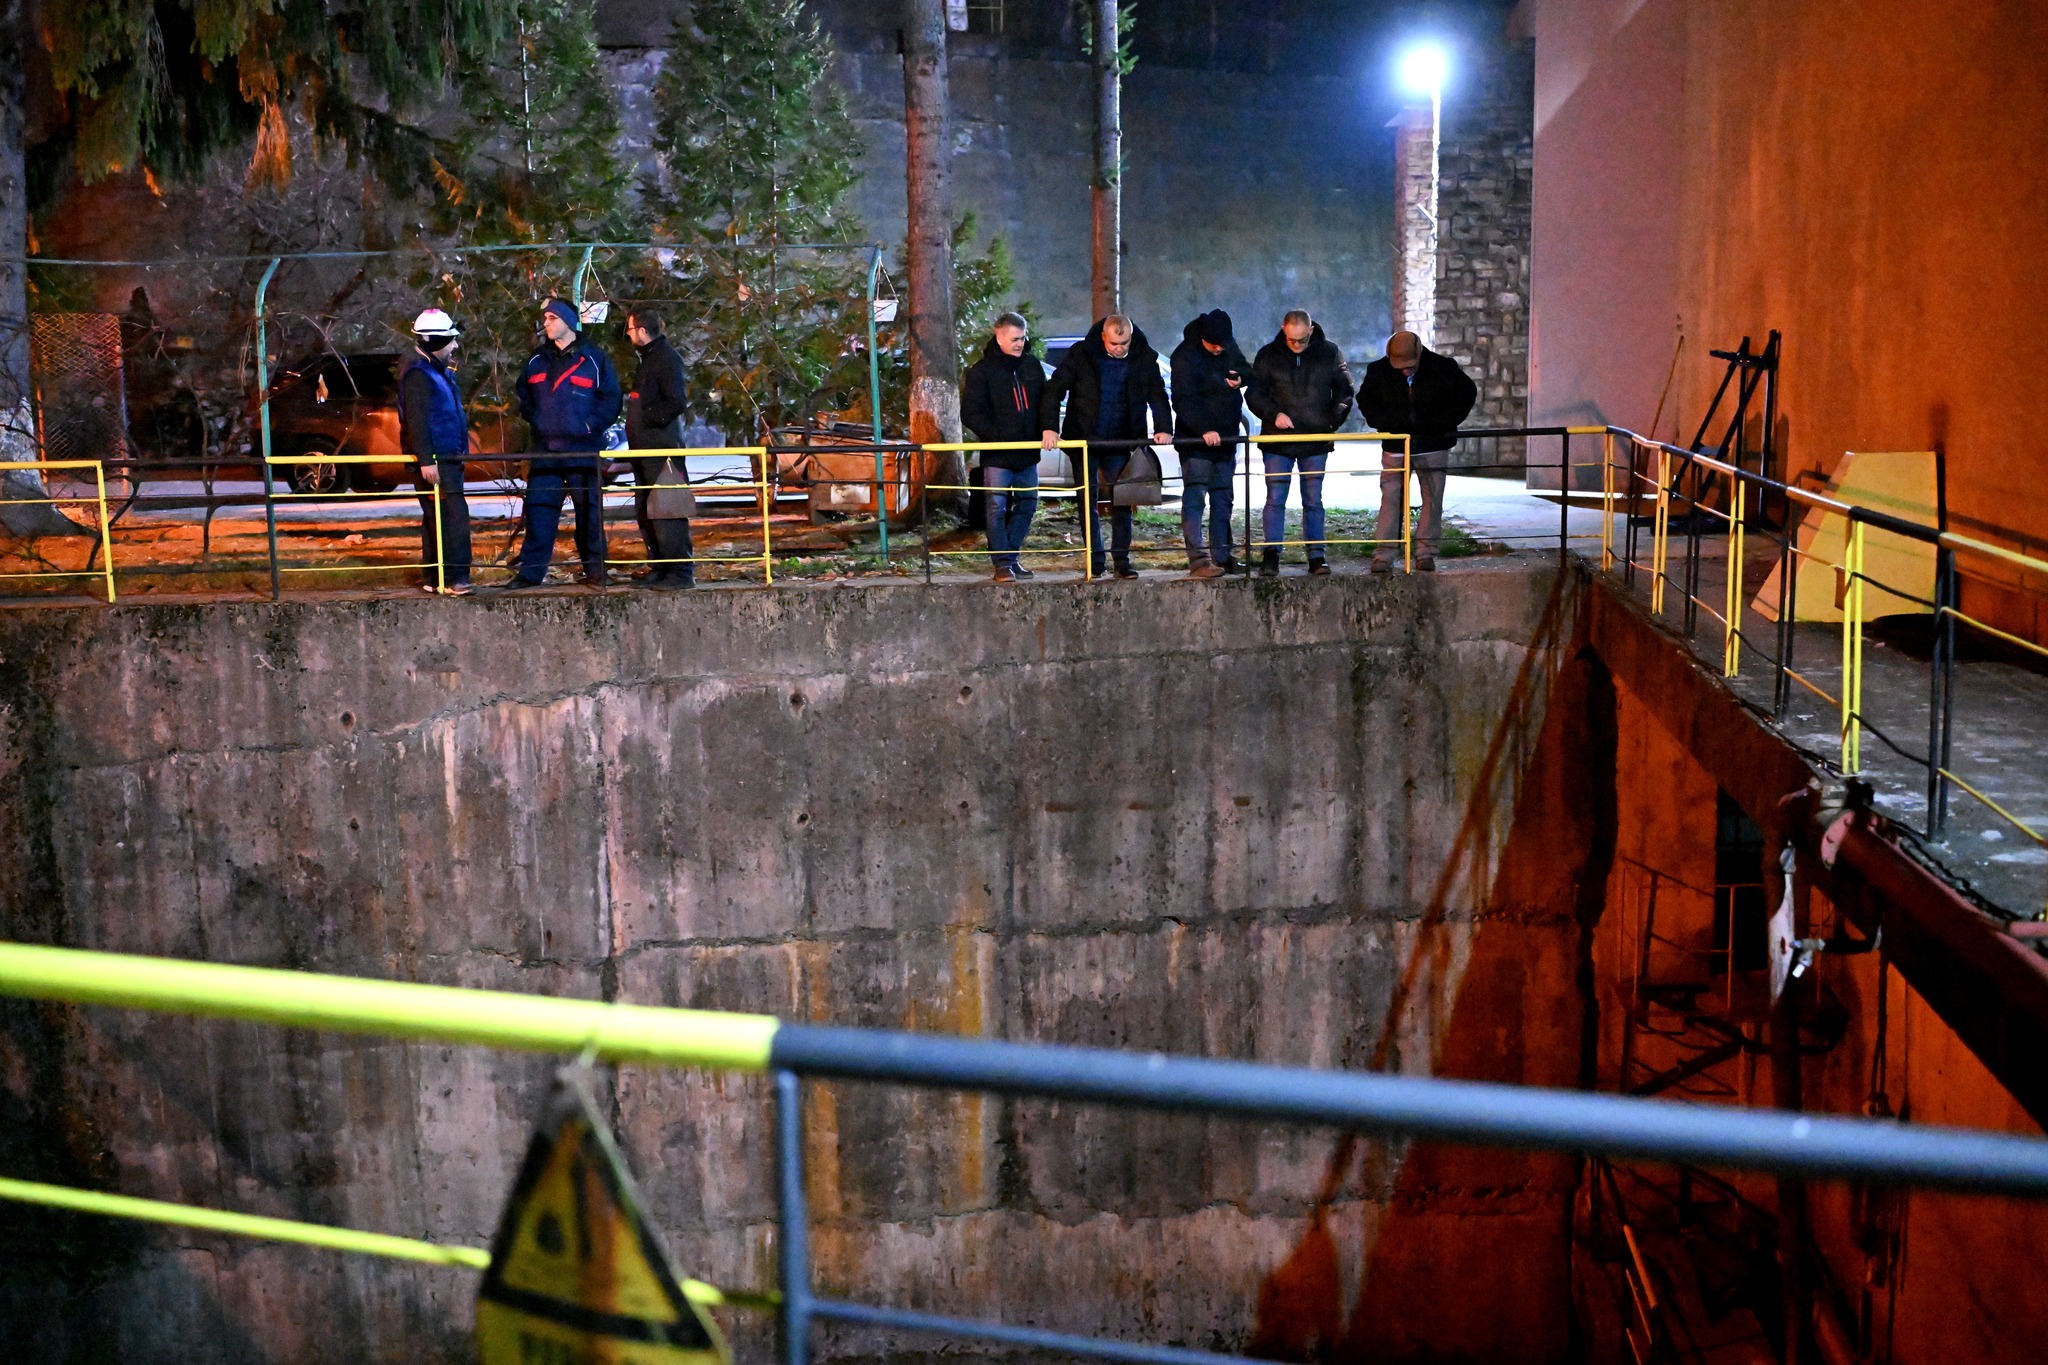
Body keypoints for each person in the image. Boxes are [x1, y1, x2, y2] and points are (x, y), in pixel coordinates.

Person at [1039, 314, 1173, 579]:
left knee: (1123, 500)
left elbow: (1157, 393)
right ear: (1103, 337)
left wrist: (1164, 427)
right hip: (1084, 439)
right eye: (1114, 344)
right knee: (1086, 501)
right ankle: (1095, 560)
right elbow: (1055, 389)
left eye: (1124, 343)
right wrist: (1049, 427)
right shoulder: (1081, 355)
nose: (1119, 348)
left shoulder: (1143, 357)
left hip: (1121, 440)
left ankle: (1122, 560)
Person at [509, 299, 621, 590]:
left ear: (568, 322)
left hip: (583, 451)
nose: (545, 323)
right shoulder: (536, 360)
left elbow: (611, 400)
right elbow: (523, 396)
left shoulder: (594, 359)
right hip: (545, 451)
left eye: (552, 317)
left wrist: (589, 426)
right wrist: (537, 420)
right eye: (545, 318)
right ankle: (530, 574)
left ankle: (596, 571)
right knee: (540, 513)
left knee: (590, 515)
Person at [1356, 329, 1477, 573]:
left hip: (1432, 444)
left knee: (1432, 498)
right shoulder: (1378, 370)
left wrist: (1443, 424)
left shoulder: (1443, 367)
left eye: (1409, 366)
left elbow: (1466, 394)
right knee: (1391, 498)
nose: (1404, 371)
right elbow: (1366, 401)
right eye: (1399, 366)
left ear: (1420, 352)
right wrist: (1385, 423)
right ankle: (1384, 555)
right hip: (1396, 445)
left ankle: (1425, 553)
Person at [1247, 309, 1353, 577]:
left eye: (1302, 340)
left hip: (1315, 440)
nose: (1296, 345)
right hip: (1277, 441)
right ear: (1283, 330)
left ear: (1311, 331)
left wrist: (1330, 422)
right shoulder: (1268, 355)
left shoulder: (1329, 352)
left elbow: (1345, 391)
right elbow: (1255, 393)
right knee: (1275, 498)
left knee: (1313, 499)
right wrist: (1274, 414)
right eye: (1291, 340)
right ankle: (1271, 554)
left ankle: (1317, 556)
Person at [962, 311, 1047, 583]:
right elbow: (971, 413)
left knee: (1027, 505)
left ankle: (1008, 559)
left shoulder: (1032, 366)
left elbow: (1046, 402)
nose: (1020, 343)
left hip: (1028, 453)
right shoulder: (982, 371)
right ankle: (1003, 564)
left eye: (1022, 338)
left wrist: (1046, 429)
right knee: (996, 509)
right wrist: (996, 436)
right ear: (999, 338)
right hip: (998, 455)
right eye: (1015, 339)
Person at [398, 307, 474, 596]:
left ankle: (435, 576)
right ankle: (455, 577)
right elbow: (417, 421)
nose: (455, 346)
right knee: (452, 517)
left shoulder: (433, 372)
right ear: (437, 341)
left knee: (437, 518)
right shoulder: (420, 375)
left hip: (446, 458)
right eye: (451, 341)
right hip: (438, 461)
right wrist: (427, 460)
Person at [1169, 308, 1251, 578]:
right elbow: (1182, 400)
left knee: (1223, 499)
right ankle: (1198, 560)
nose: (1218, 349)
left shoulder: (1227, 346)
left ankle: (1223, 556)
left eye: (1222, 345)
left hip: (1226, 439)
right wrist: (1203, 429)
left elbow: (1248, 370)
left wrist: (1240, 378)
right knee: (1195, 500)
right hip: (1195, 443)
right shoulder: (1184, 356)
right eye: (1213, 344)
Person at [624, 308, 695, 589]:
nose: (628, 334)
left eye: (630, 329)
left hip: (661, 449)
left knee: (668, 510)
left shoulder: (666, 358)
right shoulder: (650, 359)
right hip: (645, 450)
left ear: (642, 331)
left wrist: (647, 419)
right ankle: (661, 567)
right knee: (647, 510)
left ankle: (680, 572)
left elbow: (676, 401)